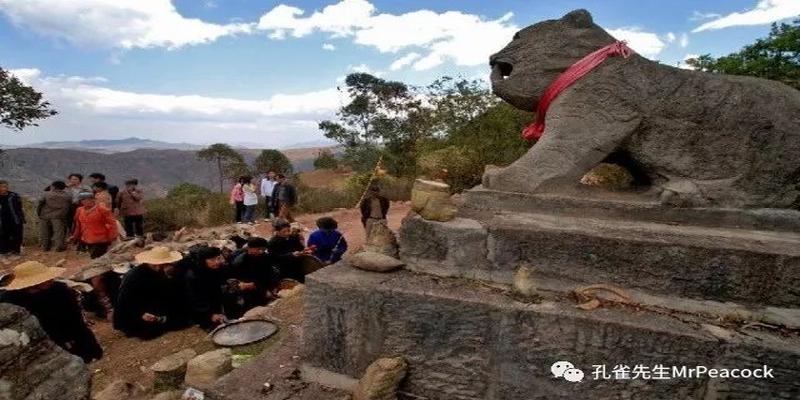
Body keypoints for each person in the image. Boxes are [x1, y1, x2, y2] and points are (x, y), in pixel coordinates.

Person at [1, 261, 102, 362]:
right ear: (33, 283)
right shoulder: (10, 301)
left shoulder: (59, 290)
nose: (50, 279)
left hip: (71, 333)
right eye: (44, 278)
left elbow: (75, 319)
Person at [114, 247, 190, 339]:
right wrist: (140, 313)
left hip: (157, 302)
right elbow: (126, 301)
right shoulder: (134, 277)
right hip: (138, 308)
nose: (158, 267)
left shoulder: (167, 270)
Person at [227, 237, 281, 318]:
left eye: (263, 249)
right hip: (250, 292)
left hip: (265, 288)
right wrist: (263, 291)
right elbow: (248, 282)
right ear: (249, 248)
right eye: (259, 249)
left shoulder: (264, 256)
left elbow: (270, 273)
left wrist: (273, 287)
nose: (261, 251)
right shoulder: (240, 262)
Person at [177, 246, 229, 330]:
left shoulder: (218, 268)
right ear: (203, 261)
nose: (217, 262)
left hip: (214, 302)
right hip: (199, 308)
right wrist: (210, 314)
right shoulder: (193, 276)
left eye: (218, 258)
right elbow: (193, 298)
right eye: (212, 260)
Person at [71, 192, 118, 259]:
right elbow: (78, 225)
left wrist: (112, 236)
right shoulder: (79, 210)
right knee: (93, 257)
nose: (84, 201)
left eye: (86, 199)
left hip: (101, 238)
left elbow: (112, 223)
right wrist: (75, 236)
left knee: (98, 258)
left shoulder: (102, 209)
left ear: (93, 200)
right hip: (87, 238)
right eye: (82, 200)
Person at [37, 180, 72, 252]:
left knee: (45, 232)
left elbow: (40, 204)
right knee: (58, 233)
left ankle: (46, 247)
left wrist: (39, 214)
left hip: (45, 215)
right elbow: (70, 206)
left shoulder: (46, 194)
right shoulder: (67, 195)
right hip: (59, 216)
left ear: (53, 186)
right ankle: (59, 247)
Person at [0, 180, 25, 261]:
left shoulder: (14, 196)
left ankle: (15, 252)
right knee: (3, 236)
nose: (5, 188)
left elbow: (20, 208)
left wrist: (22, 218)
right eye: (3, 186)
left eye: (6, 186)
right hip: (2, 221)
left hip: (15, 220)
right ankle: (4, 253)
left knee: (17, 236)